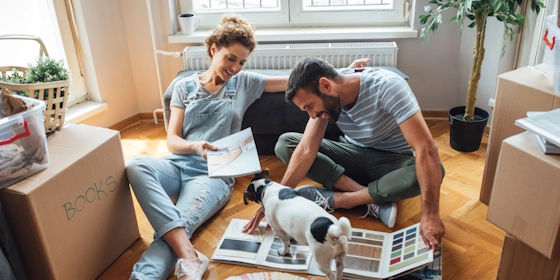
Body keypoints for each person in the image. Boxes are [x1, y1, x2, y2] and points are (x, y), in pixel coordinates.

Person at [126, 14, 368, 280]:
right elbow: (172, 140)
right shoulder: (184, 87)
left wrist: (342, 73)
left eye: (242, 62)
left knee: (179, 224)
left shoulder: (244, 83)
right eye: (231, 58)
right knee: (136, 165)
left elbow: (296, 81)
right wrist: (195, 146)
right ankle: (190, 255)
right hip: (177, 164)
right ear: (213, 48)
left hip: (213, 176)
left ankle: (143, 276)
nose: (236, 67)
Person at [243, 57, 445, 252]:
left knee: (431, 172)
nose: (311, 115)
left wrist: (430, 214)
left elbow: (426, 149)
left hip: (392, 161)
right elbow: (306, 149)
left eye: (310, 106)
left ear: (326, 86)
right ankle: (370, 197)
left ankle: (342, 199)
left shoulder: (388, 87)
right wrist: (275, 202)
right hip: (352, 156)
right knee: (285, 143)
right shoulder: (329, 97)